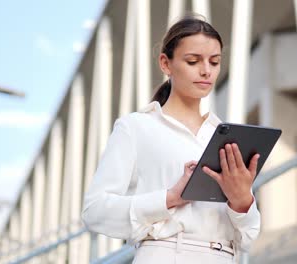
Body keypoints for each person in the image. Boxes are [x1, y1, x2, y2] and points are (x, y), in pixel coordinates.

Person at [82, 15, 261, 264]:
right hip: (165, 254)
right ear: (166, 64)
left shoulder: (224, 135)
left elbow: (248, 237)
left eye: (215, 61)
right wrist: (169, 198)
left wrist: (242, 201)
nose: (206, 70)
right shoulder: (136, 127)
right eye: (192, 61)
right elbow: (94, 211)